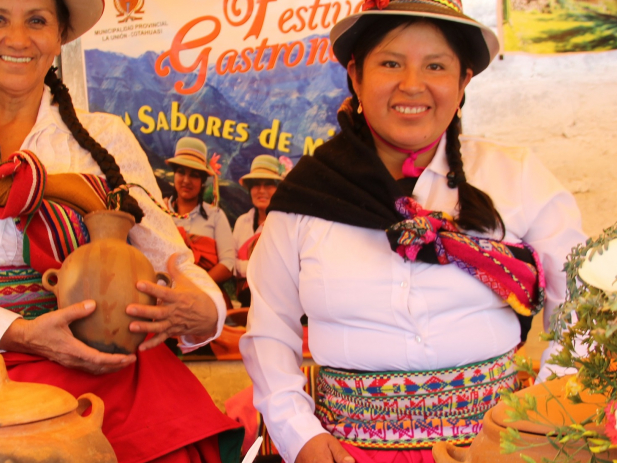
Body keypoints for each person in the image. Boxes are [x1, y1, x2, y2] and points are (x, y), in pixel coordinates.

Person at [0, 1, 241, 462]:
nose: (19, 38)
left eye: (37, 20)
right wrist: (14, 332)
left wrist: (207, 309)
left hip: (102, 380)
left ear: (59, 37)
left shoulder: (103, 139)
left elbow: (170, 260)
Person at [239, 1, 586, 462]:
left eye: (435, 66)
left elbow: (581, 309)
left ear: (463, 82)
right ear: (355, 75)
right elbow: (268, 329)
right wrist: (298, 435)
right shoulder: (307, 195)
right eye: (390, 63)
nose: (412, 85)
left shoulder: (516, 177)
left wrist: (543, 416)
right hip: (348, 454)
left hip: (499, 449)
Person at [164, 137, 236, 287]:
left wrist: (196, 286)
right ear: (174, 175)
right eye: (181, 172)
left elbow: (228, 263)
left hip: (203, 292)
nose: (186, 180)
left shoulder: (215, 215)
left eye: (194, 175)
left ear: (202, 181)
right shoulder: (160, 211)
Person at [232, 154, 289, 306]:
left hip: (278, 304)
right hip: (246, 302)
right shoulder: (242, 222)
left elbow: (281, 271)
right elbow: (232, 265)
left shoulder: (286, 225)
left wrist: (246, 266)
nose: (261, 190)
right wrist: (260, 267)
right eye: (256, 184)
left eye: (269, 184)